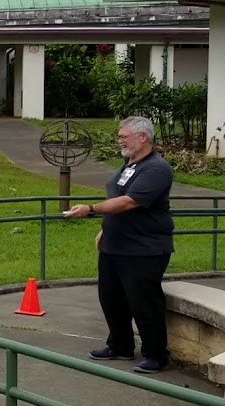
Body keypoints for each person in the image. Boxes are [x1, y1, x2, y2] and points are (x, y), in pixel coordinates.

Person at [63, 115, 175, 374]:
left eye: (124, 136)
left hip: (143, 249)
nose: (119, 141)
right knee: (112, 299)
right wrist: (105, 228)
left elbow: (130, 202)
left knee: (144, 303)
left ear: (143, 137)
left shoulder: (156, 168)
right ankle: (120, 345)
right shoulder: (128, 164)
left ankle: (156, 354)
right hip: (115, 246)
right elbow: (116, 195)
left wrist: (91, 209)